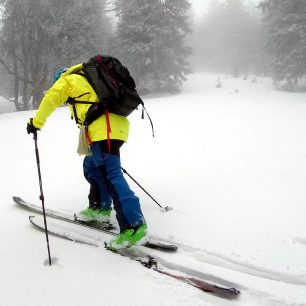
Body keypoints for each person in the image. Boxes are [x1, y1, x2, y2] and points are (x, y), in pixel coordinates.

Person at [26, 63, 147, 250]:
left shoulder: (68, 80)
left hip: (104, 130)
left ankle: (133, 225)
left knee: (111, 175)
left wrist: (36, 122)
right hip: (112, 128)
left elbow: (51, 97)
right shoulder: (90, 81)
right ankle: (100, 208)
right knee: (91, 165)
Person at [79, 155, 112, 223]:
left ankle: (103, 210)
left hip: (98, 164)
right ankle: (94, 207)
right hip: (91, 165)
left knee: (103, 186)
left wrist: (106, 207)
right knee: (95, 186)